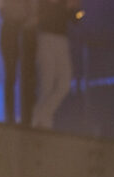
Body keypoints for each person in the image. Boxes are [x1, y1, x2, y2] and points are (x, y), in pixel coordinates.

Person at [31, 0, 79, 128]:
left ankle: (42, 115)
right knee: (47, 83)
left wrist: (75, 8)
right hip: (46, 38)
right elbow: (41, 16)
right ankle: (40, 122)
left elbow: (77, 19)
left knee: (64, 84)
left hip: (62, 40)